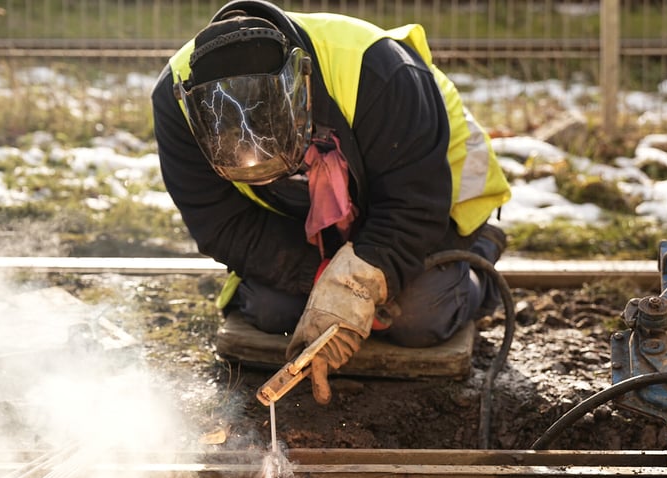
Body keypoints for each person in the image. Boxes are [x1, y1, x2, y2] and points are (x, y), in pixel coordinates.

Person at [151, 0, 512, 405]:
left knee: (420, 317)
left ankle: (479, 258)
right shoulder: (175, 101)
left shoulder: (379, 70)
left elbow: (413, 207)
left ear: (300, 84)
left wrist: (358, 286)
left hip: (430, 207)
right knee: (273, 313)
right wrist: (324, 282)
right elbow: (221, 223)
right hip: (308, 223)